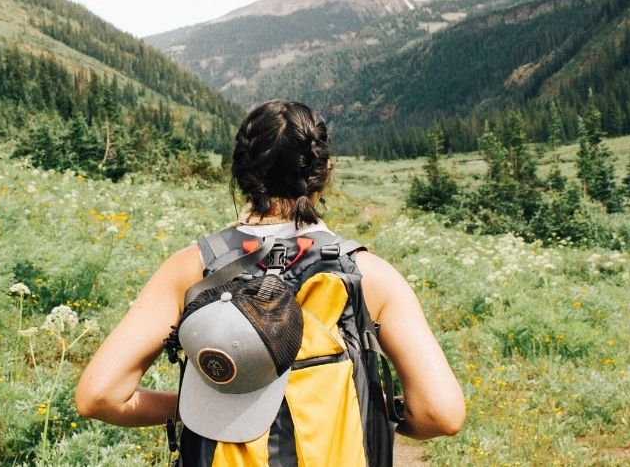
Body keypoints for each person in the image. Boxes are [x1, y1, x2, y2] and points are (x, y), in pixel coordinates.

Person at [76, 99, 464, 461]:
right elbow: (441, 414)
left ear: (240, 174)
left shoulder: (192, 268)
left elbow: (99, 396)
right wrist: (377, 410)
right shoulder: (369, 274)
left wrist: (191, 408)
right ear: (324, 174)